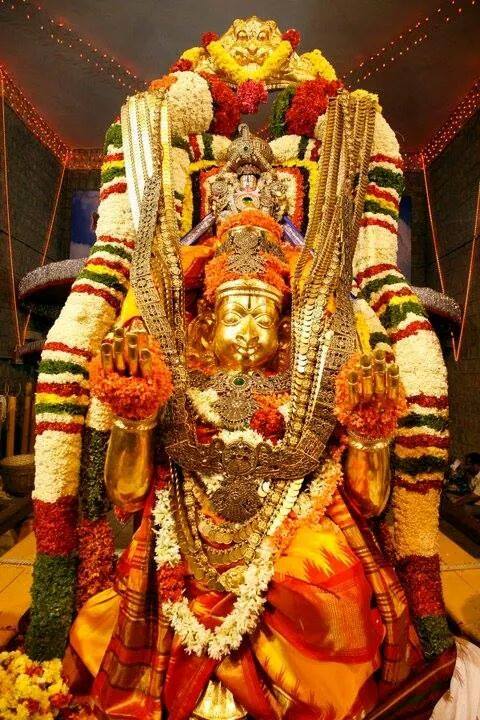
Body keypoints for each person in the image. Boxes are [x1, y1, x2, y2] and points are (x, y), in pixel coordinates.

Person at [27, 18, 455, 720]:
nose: (252, 326)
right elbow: (127, 494)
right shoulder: (176, 367)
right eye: (237, 310)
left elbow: (368, 501)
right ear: (204, 318)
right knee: (124, 612)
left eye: (263, 311)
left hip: (294, 527)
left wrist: (373, 432)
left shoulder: (311, 368)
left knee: (335, 592)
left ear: (286, 318)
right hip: (184, 531)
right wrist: (133, 416)